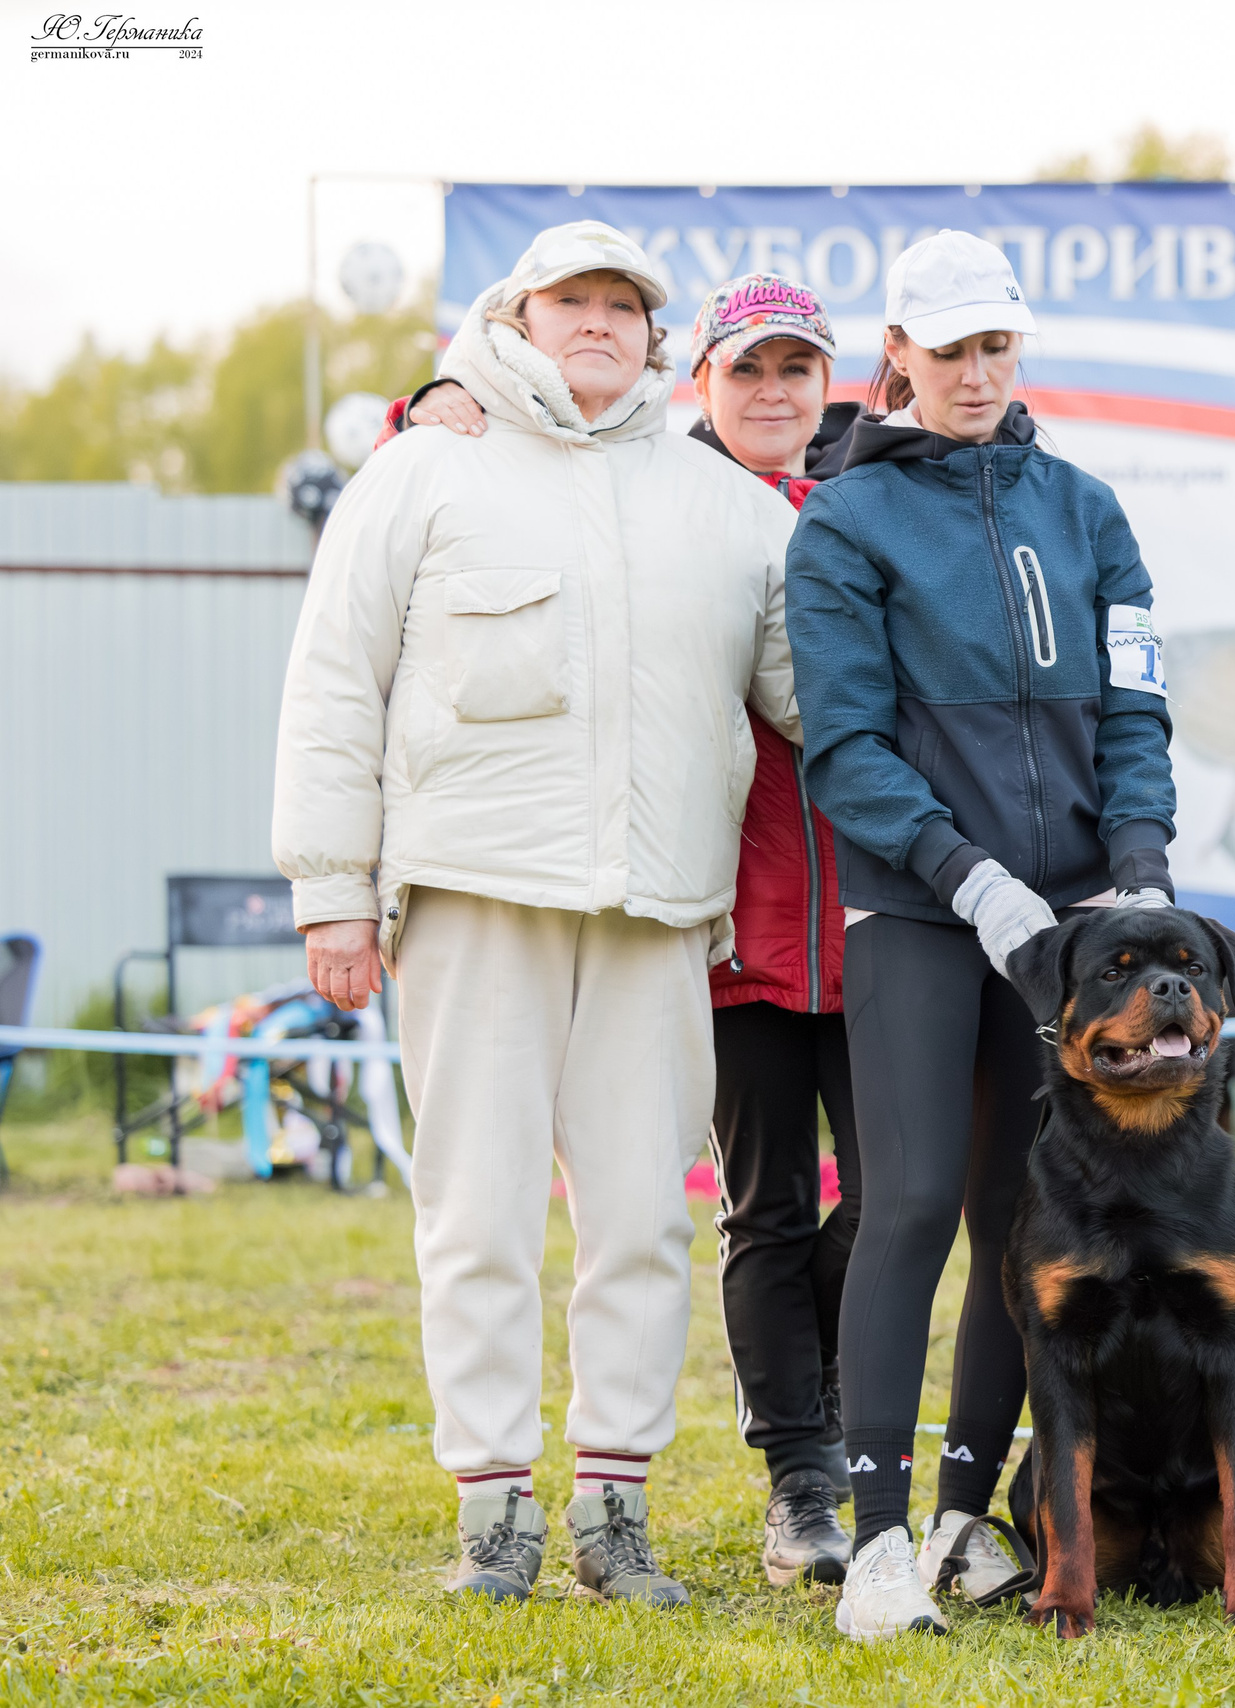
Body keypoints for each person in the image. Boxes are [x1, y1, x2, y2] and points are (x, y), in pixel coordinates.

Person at [273, 222, 800, 1608]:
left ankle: (614, 1512)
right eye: (570, 300)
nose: (597, 325)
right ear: (515, 319)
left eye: (624, 306)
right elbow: (334, 686)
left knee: (642, 1217)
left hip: (657, 909)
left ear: (654, 338)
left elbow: (821, 700)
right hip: (470, 898)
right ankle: (493, 1511)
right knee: (478, 1212)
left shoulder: (731, 503)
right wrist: (332, 894)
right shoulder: (419, 470)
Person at [400, 275, 870, 1586]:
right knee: (760, 1212)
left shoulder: (859, 507)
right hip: (722, 926)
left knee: (895, 1202)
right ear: (698, 378)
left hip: (877, 925)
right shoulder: (663, 497)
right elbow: (506, 457)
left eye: (799, 370)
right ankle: (802, 1487)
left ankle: (849, 1450)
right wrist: (440, 389)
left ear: (832, 382)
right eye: (749, 370)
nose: (774, 394)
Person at [785, 229, 1178, 1642]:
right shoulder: (843, 524)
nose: (973, 372)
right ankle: (875, 1541)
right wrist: (970, 879)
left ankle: (963, 1517)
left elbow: (1135, 710)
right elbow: (845, 749)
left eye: (995, 345)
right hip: (918, 916)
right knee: (901, 1210)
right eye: (947, 349)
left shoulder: (1090, 510)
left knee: (1025, 1225)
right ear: (897, 355)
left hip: (1070, 931)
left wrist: (1133, 871)